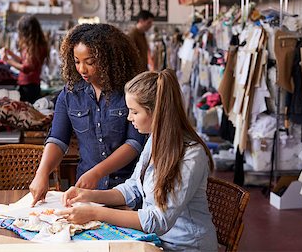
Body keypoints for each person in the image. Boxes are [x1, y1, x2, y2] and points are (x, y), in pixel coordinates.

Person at [57, 69, 218, 252]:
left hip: (185, 247)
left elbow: (158, 220)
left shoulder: (191, 155)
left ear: (156, 113)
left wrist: (95, 212)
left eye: (134, 111)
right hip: (155, 241)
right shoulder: (154, 140)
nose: (129, 118)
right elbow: (133, 187)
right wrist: (88, 195)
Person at [30, 23, 146, 206]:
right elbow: (58, 139)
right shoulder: (70, 95)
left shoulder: (130, 92)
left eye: (90, 62)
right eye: (77, 61)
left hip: (128, 192)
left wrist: (97, 172)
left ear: (110, 59)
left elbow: (134, 144)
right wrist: (42, 173)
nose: (82, 69)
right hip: (87, 192)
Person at [0, 15, 48, 103]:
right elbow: (24, 61)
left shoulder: (35, 47)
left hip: (29, 87)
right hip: (30, 85)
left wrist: (7, 60)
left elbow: (26, 68)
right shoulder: (35, 45)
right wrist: (11, 53)